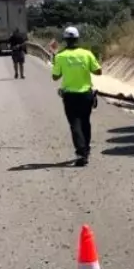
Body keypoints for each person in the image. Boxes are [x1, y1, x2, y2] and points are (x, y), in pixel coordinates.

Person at [51, 25, 102, 166]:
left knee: (75, 124)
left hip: (70, 96)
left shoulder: (60, 56)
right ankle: (86, 148)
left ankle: (81, 153)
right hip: (86, 94)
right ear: (77, 39)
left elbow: (55, 77)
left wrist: (56, 59)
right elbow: (98, 71)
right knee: (85, 121)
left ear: (65, 40)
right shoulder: (87, 54)